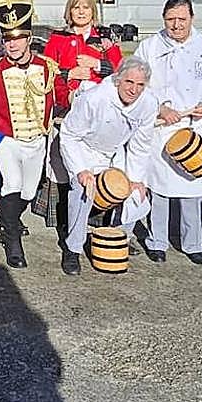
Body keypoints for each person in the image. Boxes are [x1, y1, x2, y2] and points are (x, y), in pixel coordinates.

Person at [133, 0, 202, 264]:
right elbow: (137, 84)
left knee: (193, 189)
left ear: (192, 18)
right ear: (163, 19)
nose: (176, 25)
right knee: (161, 188)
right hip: (162, 128)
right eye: (170, 19)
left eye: (182, 19)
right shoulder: (149, 47)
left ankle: (193, 243)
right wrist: (159, 108)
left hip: (194, 126)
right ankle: (157, 240)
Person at [0, 0, 58, 269]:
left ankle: (7, 217)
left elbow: (61, 99)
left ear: (29, 38)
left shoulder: (48, 68)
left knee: (28, 191)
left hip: (37, 140)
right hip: (7, 139)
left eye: (18, 38)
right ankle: (12, 240)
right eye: (7, 38)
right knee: (11, 184)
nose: (12, 44)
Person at [57, 57, 157, 276]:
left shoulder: (149, 103)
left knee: (135, 192)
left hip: (114, 151)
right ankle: (73, 248)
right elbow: (69, 134)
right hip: (84, 148)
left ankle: (120, 238)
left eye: (140, 85)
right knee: (83, 191)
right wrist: (81, 170)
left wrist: (136, 178)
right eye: (129, 82)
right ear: (118, 79)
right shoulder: (95, 98)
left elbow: (141, 144)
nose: (133, 90)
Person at [43, 0, 125, 246]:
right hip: (69, 110)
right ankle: (67, 222)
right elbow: (47, 72)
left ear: (93, 12)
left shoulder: (104, 40)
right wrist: (69, 74)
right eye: (76, 7)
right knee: (67, 166)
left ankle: (99, 221)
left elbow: (122, 72)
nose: (81, 12)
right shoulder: (58, 38)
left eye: (86, 8)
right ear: (69, 11)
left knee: (103, 167)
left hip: (101, 114)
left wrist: (97, 63)